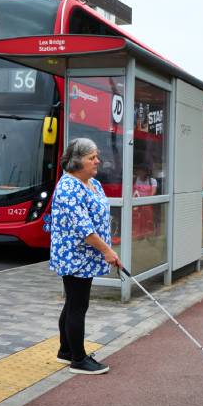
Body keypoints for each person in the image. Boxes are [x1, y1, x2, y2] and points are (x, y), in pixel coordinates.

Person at [48, 138, 121, 375]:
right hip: (74, 256)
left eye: (96, 156)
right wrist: (108, 251)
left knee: (73, 302)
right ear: (77, 161)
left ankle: (66, 350)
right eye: (92, 157)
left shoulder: (92, 183)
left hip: (86, 256)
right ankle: (78, 359)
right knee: (78, 305)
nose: (97, 161)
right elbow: (84, 230)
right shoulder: (68, 187)